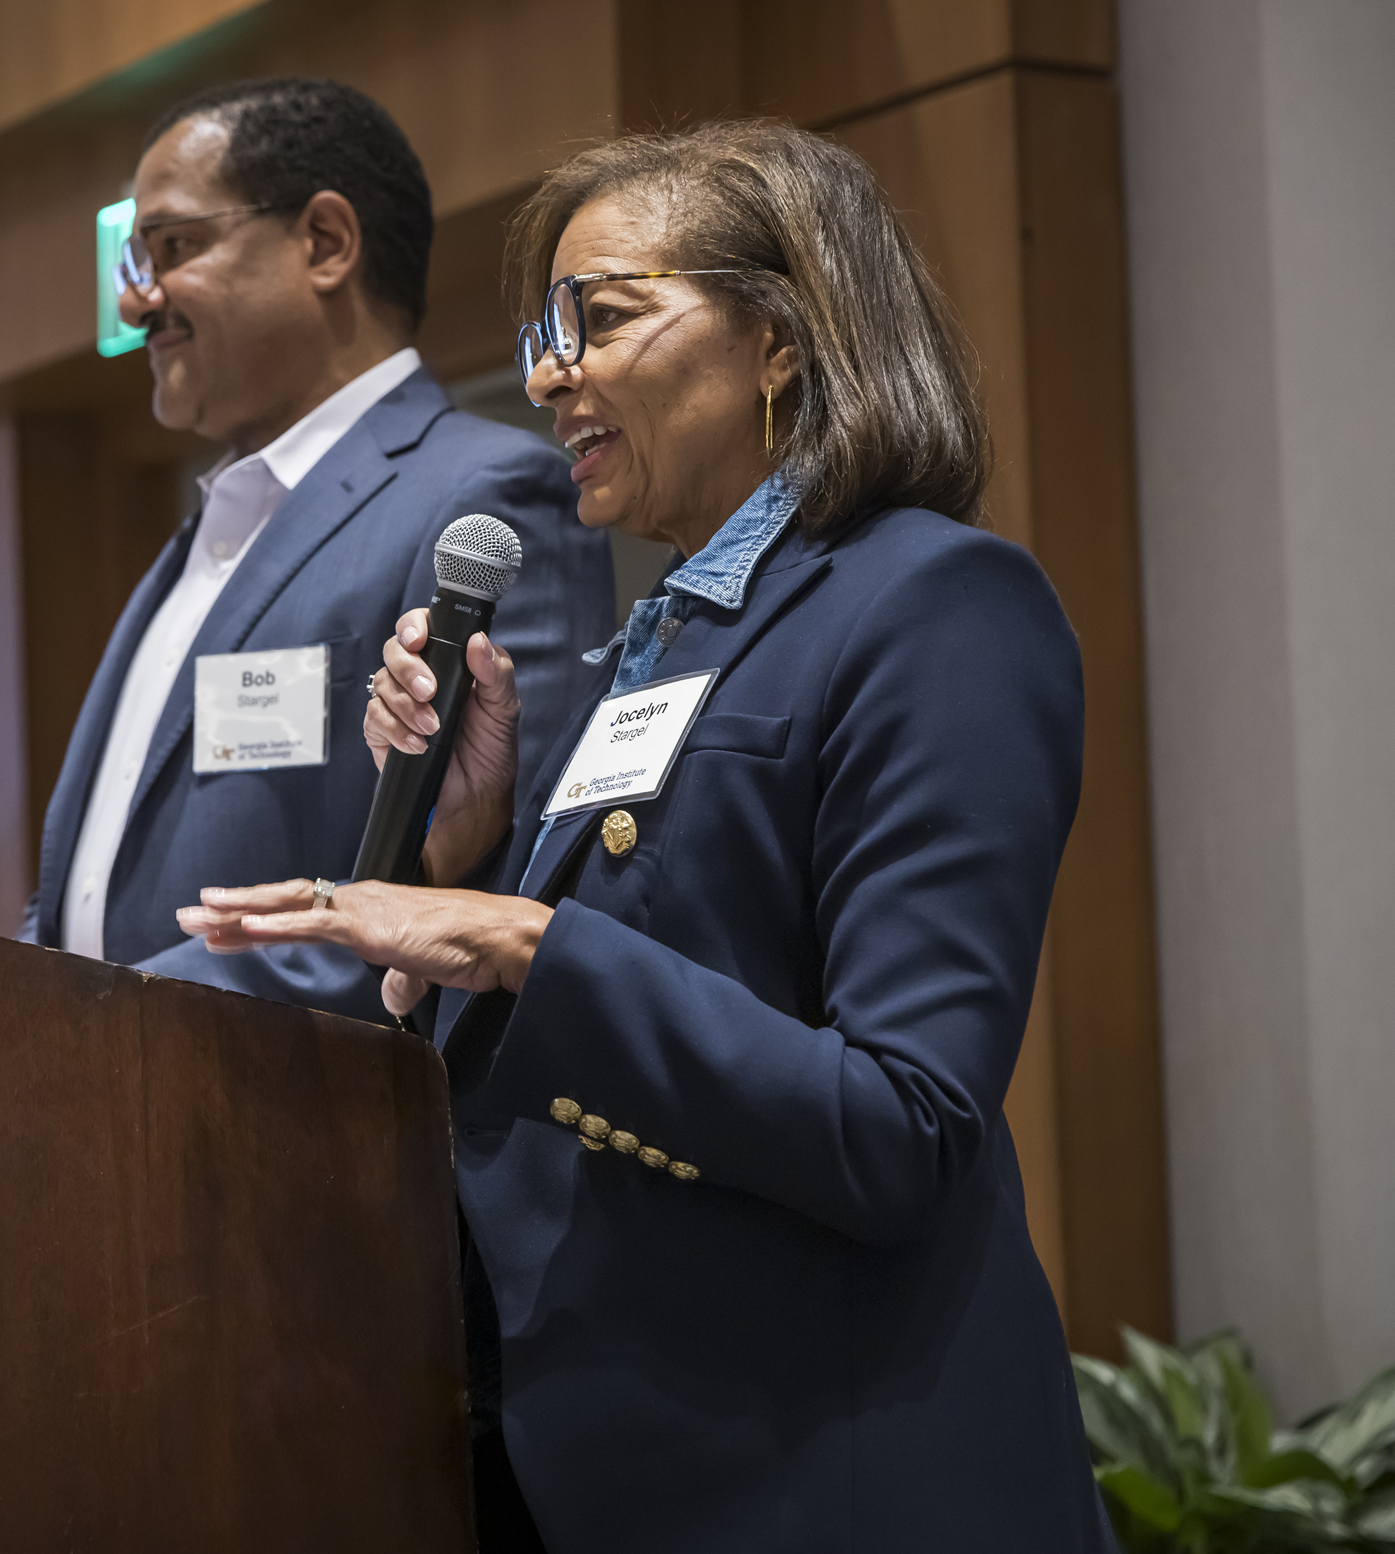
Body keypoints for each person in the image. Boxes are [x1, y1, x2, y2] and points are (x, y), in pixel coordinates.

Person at [179, 119, 1116, 1551]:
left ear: (780, 339)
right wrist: (473, 847)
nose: (550, 371)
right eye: (542, 330)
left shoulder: (939, 605)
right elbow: (641, 987)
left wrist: (519, 933)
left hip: (835, 1483)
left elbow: (902, 1123)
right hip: (627, 1472)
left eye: (599, 317)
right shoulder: (668, 640)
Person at [22, 78, 616, 1025]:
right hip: (100, 1116)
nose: (139, 299)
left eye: (172, 247)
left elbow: (484, 889)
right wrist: (8, 1004)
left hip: (292, 1124)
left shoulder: (482, 494)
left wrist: (98, 1023)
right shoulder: (206, 526)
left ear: (325, 243)